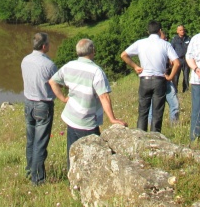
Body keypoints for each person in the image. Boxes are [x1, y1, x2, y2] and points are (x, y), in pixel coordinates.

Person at [49, 38, 127, 168]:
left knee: (72, 153)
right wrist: (112, 119)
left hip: (71, 117)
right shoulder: (96, 71)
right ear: (93, 51)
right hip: (88, 121)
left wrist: (63, 98)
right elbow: (104, 96)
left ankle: (72, 181)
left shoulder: (69, 65)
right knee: (92, 157)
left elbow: (53, 82)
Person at [121, 21, 180, 132]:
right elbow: (177, 63)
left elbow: (124, 55)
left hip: (145, 80)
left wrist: (135, 66)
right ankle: (155, 137)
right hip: (159, 80)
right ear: (160, 31)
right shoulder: (165, 44)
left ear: (148, 31)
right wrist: (171, 76)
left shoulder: (140, 43)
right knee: (157, 112)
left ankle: (140, 136)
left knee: (143, 111)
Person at [21, 32, 58, 185]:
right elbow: (58, 82)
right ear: (44, 46)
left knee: (31, 140)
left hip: (28, 103)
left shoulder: (25, 60)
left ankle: (30, 171)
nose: (49, 45)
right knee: (40, 143)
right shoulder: (48, 64)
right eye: (48, 43)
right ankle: (38, 180)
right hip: (43, 105)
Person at [170, 25, 191, 92]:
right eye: (180, 30)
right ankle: (175, 89)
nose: (182, 31)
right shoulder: (174, 39)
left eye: (183, 30)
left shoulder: (188, 38)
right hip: (178, 60)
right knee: (176, 76)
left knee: (186, 75)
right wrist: (171, 59)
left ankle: (186, 89)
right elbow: (171, 49)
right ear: (177, 31)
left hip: (186, 59)